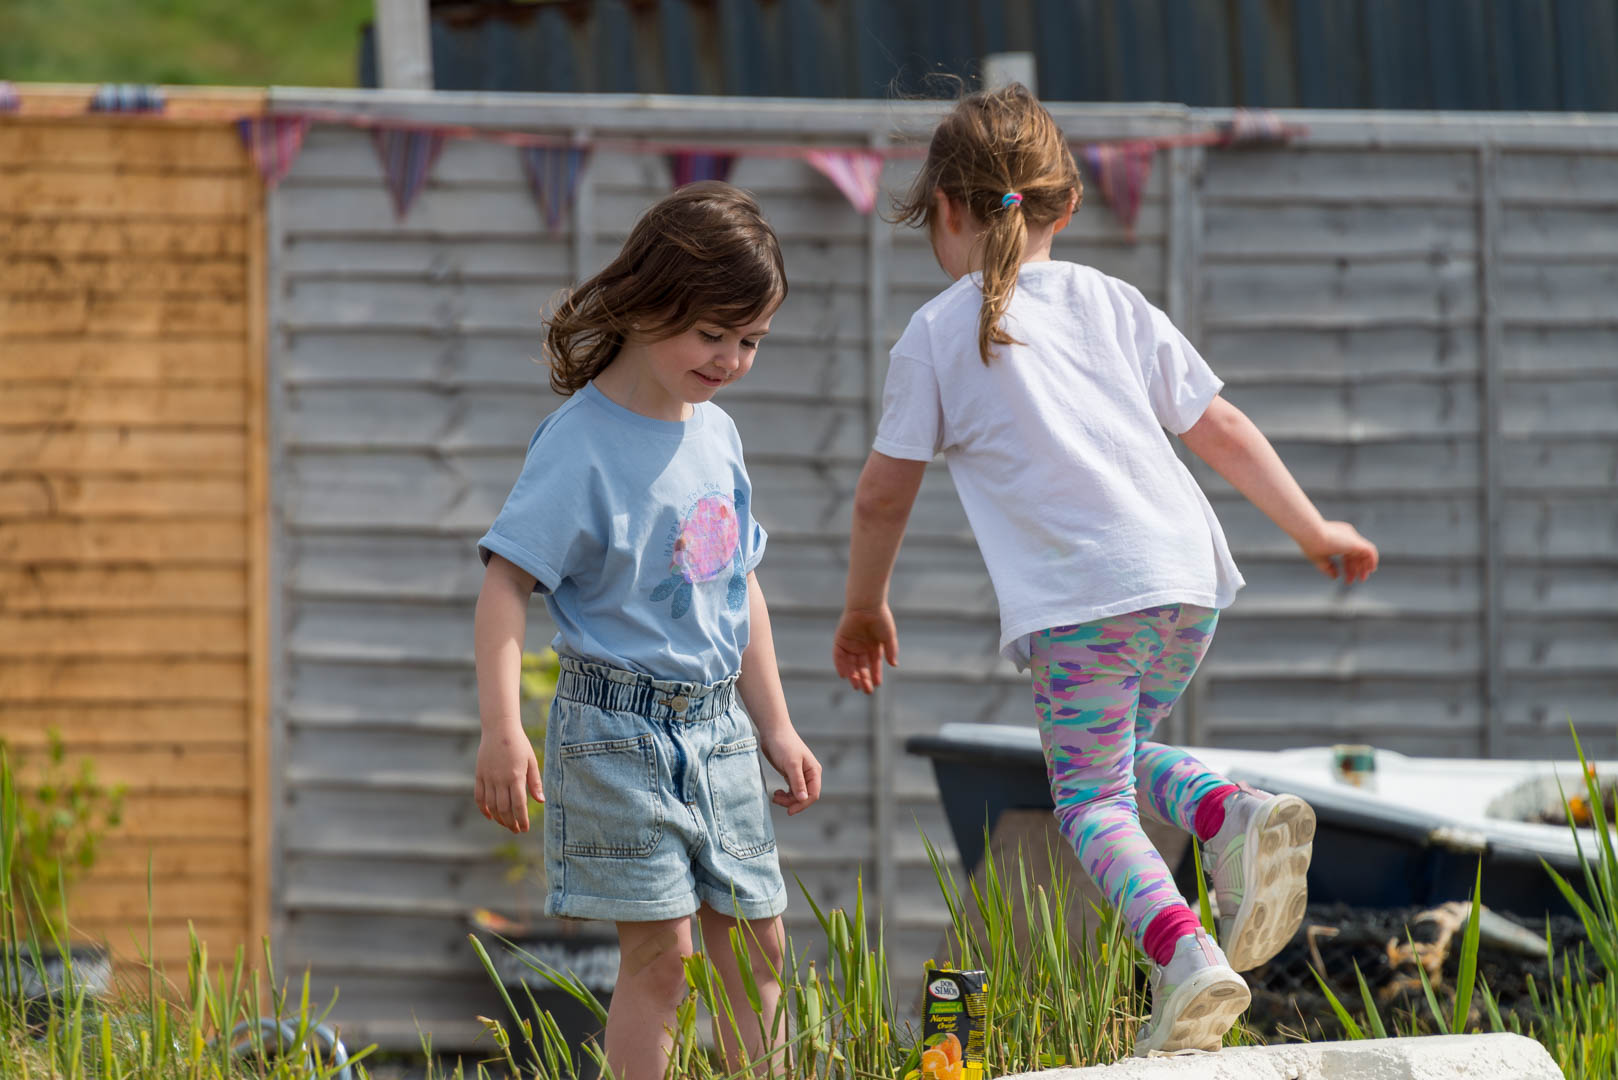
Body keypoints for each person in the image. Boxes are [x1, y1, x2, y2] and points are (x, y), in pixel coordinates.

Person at [831, 85, 1379, 1055]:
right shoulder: (1113, 300)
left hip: (1086, 601)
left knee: (1089, 801)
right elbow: (1220, 424)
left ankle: (1184, 954)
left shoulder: (937, 333)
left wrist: (864, 606)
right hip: (1185, 583)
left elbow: (880, 496)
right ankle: (1227, 810)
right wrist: (1311, 526)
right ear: (1069, 203)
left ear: (944, 209)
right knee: (1109, 758)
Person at [474, 181, 822, 1080]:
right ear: (644, 302)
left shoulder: (720, 436)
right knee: (664, 958)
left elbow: (738, 586)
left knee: (761, 944)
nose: (732, 359)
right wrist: (503, 729)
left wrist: (777, 724)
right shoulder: (578, 442)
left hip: (720, 727)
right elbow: (506, 586)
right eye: (712, 334)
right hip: (617, 733)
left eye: (751, 340)